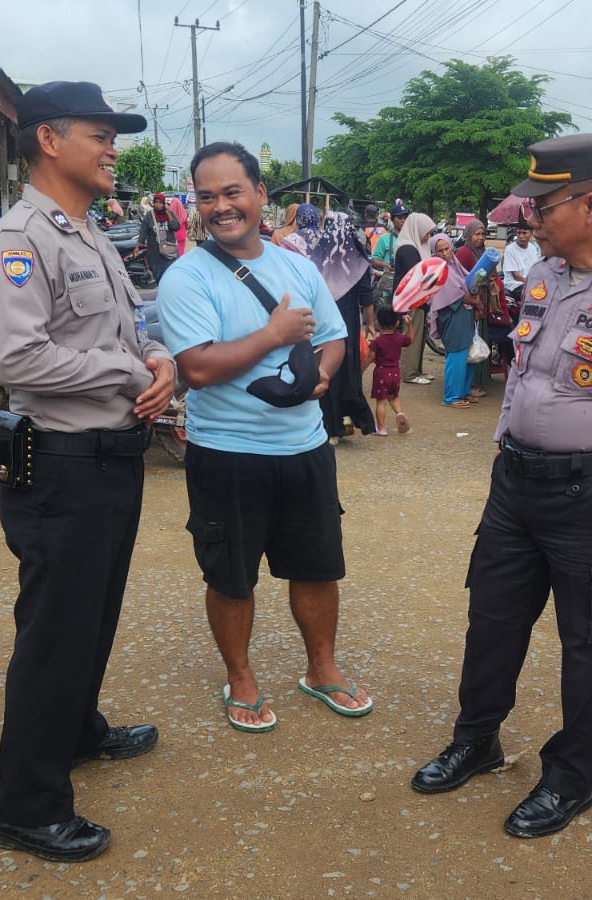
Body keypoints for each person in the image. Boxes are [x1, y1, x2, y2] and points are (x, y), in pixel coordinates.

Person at [410, 133, 592, 839]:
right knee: (492, 621)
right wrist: (506, 443)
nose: (531, 217)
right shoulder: (545, 275)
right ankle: (477, 738)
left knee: (590, 644)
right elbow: (526, 373)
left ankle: (570, 778)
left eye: (544, 205)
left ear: (591, 205)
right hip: (517, 484)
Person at [0, 81, 174, 864]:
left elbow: (125, 331)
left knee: (92, 615)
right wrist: (128, 374)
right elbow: (14, 358)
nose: (113, 150)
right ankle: (27, 807)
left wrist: (156, 359)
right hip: (60, 466)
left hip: (108, 460)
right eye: (101, 135)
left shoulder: (88, 234)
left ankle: (78, 730)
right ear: (50, 141)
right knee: (55, 633)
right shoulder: (19, 239)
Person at [159, 141, 371, 734]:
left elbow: (332, 335)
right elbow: (197, 367)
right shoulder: (187, 277)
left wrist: (322, 375)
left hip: (304, 448)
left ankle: (322, 668)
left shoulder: (298, 266)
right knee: (231, 575)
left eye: (232, 192)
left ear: (259, 194)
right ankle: (241, 677)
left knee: (318, 567)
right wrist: (275, 334)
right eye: (207, 196)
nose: (220, 206)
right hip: (226, 452)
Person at [283, 210, 379, 441]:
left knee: (327, 369)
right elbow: (366, 296)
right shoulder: (357, 260)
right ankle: (348, 418)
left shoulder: (318, 257)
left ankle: (331, 426)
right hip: (348, 323)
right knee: (348, 369)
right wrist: (371, 324)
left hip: (324, 322)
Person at [428, 233, 477, 407]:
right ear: (434, 253)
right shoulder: (439, 269)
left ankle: (463, 391)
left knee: (466, 355)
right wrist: (475, 301)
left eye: (447, 248)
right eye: (439, 251)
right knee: (456, 355)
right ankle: (451, 397)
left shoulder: (455, 265)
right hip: (452, 316)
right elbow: (456, 294)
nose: (444, 253)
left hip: (462, 315)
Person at [394, 211, 436, 385]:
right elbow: (418, 274)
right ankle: (410, 373)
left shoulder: (414, 246)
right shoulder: (407, 249)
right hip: (411, 300)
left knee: (420, 335)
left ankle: (417, 370)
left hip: (418, 299)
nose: (428, 237)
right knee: (413, 335)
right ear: (417, 229)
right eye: (426, 232)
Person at [454, 219, 494, 398]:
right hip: (470, 304)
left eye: (483, 234)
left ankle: (475, 382)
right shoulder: (464, 252)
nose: (480, 238)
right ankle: (469, 384)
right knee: (471, 345)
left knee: (478, 342)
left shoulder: (483, 252)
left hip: (481, 302)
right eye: (477, 234)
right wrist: (474, 302)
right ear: (468, 235)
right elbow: (461, 282)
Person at [369, 305, 412, 435]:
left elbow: (370, 357)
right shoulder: (399, 338)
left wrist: (361, 369)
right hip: (395, 372)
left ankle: (381, 428)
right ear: (397, 323)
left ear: (378, 322)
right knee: (393, 397)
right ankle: (400, 414)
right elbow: (410, 340)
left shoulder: (377, 341)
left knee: (381, 401)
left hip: (381, 372)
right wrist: (409, 325)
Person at [501, 223, 541, 306]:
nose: (521, 236)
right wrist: (532, 283)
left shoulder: (533, 248)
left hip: (529, 283)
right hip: (514, 285)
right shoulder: (510, 249)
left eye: (524, 233)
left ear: (531, 233)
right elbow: (516, 275)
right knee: (537, 297)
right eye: (519, 233)